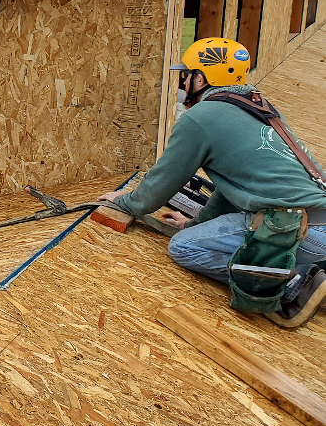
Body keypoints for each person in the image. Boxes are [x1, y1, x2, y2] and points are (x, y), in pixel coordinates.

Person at [99, 37, 326, 328]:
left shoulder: (201, 117)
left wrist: (124, 202)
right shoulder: (258, 107)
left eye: (187, 75)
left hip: (295, 227)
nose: (183, 84)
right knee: (198, 234)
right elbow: (231, 191)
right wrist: (195, 223)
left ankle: (292, 284)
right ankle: (313, 267)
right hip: (315, 223)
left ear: (202, 78)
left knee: (185, 247)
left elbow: (163, 181)